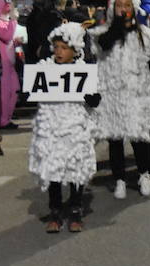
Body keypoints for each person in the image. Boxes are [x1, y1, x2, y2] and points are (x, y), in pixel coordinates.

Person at [90, 0, 150, 199]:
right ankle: (120, 180)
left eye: (127, 5)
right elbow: (100, 52)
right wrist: (116, 27)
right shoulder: (104, 34)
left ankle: (143, 174)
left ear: (134, 8)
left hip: (138, 93)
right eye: (119, 5)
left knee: (140, 138)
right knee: (115, 140)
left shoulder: (145, 35)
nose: (123, 9)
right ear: (113, 8)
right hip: (112, 94)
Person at [30, 23, 100, 233]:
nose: (59, 52)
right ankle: (55, 211)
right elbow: (31, 93)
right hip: (50, 126)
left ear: (75, 50)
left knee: (75, 168)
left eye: (64, 48)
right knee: (53, 168)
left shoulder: (84, 71)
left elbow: (96, 100)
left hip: (74, 126)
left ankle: (76, 210)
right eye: (56, 47)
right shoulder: (45, 68)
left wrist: (88, 95)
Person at [0, 0, 21, 128]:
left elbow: (9, 38)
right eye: (5, 3)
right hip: (3, 63)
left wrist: (15, 43)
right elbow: (5, 36)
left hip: (10, 63)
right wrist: (14, 21)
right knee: (4, 93)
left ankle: (7, 118)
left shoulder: (6, 21)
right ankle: (3, 120)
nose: (8, 6)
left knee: (14, 90)